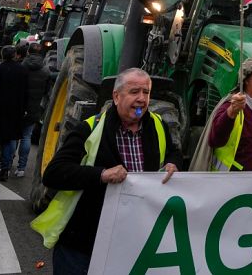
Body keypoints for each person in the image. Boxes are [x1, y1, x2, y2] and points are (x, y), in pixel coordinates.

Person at [37, 67, 182, 275]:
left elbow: (173, 152)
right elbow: (54, 173)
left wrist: (172, 163)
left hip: (129, 242)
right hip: (83, 244)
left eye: (146, 92)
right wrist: (101, 175)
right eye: (134, 92)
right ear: (116, 96)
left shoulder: (158, 126)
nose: (141, 99)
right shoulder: (90, 128)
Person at [0, 44, 30, 179]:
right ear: (14, 55)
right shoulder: (22, 71)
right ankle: (5, 168)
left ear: (2, 55)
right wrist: (24, 109)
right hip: (14, 111)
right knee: (8, 140)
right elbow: (26, 92)